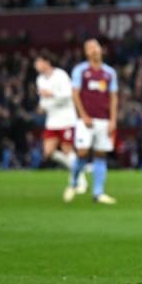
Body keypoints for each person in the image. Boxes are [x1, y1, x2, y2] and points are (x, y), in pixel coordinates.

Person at [66, 39, 118, 205]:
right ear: (86, 53)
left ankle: (98, 193)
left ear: (101, 50)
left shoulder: (109, 73)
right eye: (90, 48)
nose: (94, 50)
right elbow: (75, 94)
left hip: (103, 120)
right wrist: (83, 115)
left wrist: (113, 119)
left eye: (96, 47)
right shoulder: (80, 71)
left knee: (101, 155)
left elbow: (113, 97)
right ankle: (73, 183)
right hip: (85, 120)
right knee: (82, 152)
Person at [34, 54, 87, 193]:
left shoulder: (61, 75)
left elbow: (69, 94)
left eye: (38, 61)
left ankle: (80, 179)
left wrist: (51, 94)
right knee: (48, 152)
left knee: (67, 149)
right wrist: (42, 106)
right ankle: (77, 169)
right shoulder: (40, 79)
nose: (36, 65)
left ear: (47, 62)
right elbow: (43, 99)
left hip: (66, 119)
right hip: (52, 120)